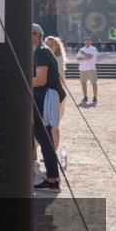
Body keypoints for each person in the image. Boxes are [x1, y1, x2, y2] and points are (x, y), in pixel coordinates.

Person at [32, 24, 63, 191]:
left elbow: (40, 80)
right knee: (45, 139)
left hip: (42, 100)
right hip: (43, 99)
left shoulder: (41, 52)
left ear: (36, 35)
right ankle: (49, 176)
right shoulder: (41, 51)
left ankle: (52, 179)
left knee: (45, 140)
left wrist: (17, 82)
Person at [46, 35, 69, 168]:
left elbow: (59, 81)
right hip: (50, 93)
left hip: (56, 94)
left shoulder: (57, 59)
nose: (49, 46)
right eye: (47, 44)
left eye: (52, 44)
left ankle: (52, 152)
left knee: (54, 125)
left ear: (57, 46)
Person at [76, 36, 98, 104]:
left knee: (94, 83)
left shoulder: (93, 48)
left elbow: (90, 57)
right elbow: (78, 58)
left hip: (91, 68)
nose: (87, 42)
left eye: (88, 41)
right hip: (82, 68)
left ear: (90, 42)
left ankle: (95, 96)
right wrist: (85, 57)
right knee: (83, 83)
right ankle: (85, 96)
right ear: (84, 42)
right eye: (86, 41)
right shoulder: (81, 49)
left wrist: (83, 54)